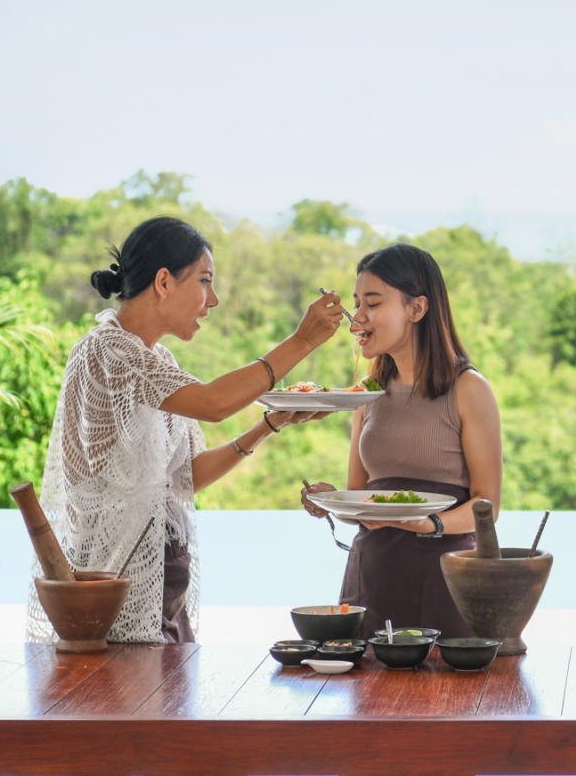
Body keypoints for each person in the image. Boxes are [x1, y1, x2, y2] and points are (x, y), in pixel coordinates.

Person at [31, 216, 345, 644]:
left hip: (163, 582)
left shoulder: (158, 360)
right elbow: (214, 403)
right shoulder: (107, 349)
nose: (212, 299)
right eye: (204, 280)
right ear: (163, 282)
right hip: (115, 582)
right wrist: (302, 342)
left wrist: (269, 424)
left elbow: (187, 477)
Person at [299, 243, 502, 639]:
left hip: (447, 576)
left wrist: (429, 524)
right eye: (356, 304)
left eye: (371, 304)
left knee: (444, 696)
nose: (356, 318)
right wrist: (330, 501)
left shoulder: (468, 388)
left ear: (417, 309)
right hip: (371, 579)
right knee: (365, 695)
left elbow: (487, 506)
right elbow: (360, 500)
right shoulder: (366, 393)